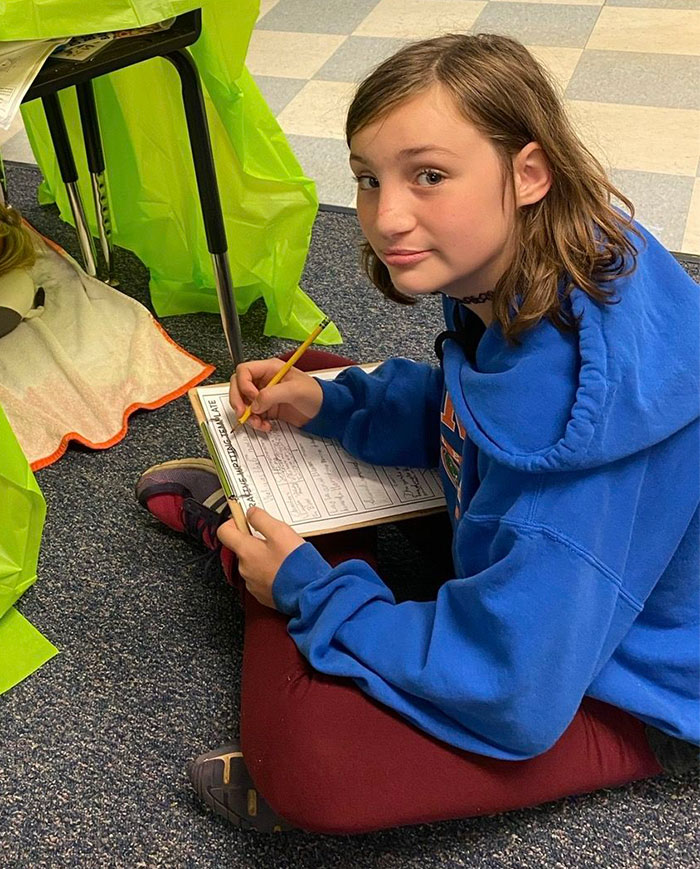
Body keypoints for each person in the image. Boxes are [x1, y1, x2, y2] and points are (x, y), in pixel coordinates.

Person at [136, 33, 699, 834]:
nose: (386, 217)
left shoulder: (574, 478)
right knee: (317, 379)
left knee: (308, 767)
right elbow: (476, 400)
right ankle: (277, 528)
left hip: (627, 680)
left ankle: (256, 544)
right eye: (368, 178)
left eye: (429, 176)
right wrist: (328, 404)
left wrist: (306, 589)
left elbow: (514, 691)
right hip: (553, 579)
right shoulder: (538, 252)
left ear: (529, 173)